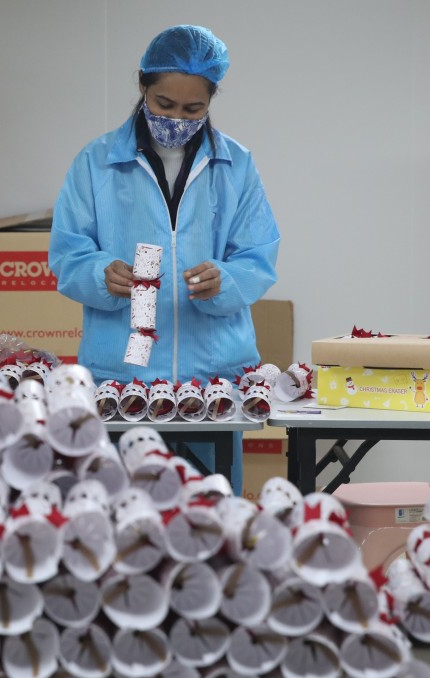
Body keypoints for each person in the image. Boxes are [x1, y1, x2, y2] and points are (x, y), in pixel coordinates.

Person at [49, 25, 279, 490]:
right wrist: (100, 274)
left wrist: (226, 280)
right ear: (142, 86)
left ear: (211, 101)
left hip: (212, 384)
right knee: (121, 513)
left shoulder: (236, 165)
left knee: (212, 515)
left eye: (193, 109)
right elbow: (67, 255)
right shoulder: (96, 163)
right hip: (123, 381)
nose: (177, 118)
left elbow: (258, 257)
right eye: (164, 104)